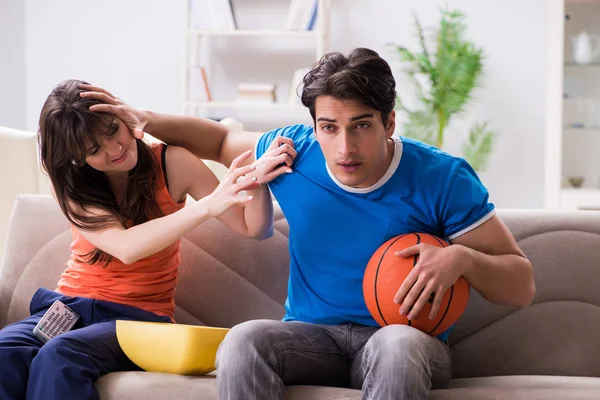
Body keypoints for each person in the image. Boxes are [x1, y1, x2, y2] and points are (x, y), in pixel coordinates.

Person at [83, 48, 536, 399]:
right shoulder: (293, 152)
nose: (344, 147)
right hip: (311, 338)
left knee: (396, 347)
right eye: (329, 127)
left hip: (406, 342)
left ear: (390, 122)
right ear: (314, 125)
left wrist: (460, 259)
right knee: (244, 340)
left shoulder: (442, 177)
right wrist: (148, 120)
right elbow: (221, 138)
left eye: (361, 125)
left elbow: (521, 286)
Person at [0, 79, 293, 400]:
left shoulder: (172, 162)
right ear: (76, 158)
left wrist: (256, 179)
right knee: (5, 353)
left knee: (60, 356)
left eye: (113, 130)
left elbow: (254, 228)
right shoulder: (72, 183)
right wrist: (207, 206)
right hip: (69, 306)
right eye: (94, 150)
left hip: (138, 319)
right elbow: (126, 247)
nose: (115, 150)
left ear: (123, 115)